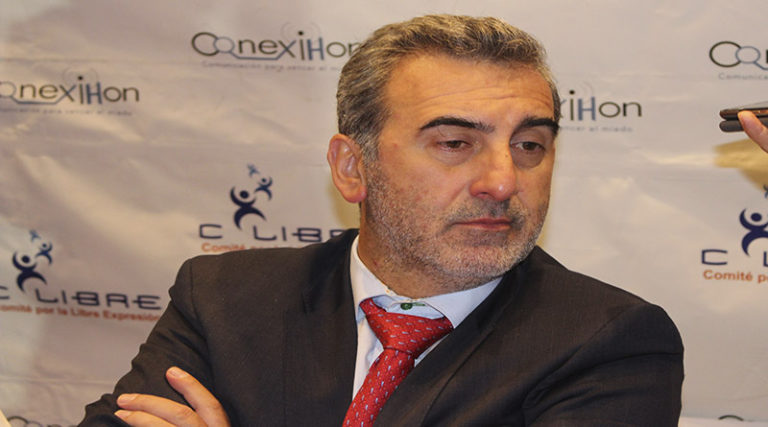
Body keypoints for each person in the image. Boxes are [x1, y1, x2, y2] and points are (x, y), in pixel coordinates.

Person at [80, 15, 684, 426]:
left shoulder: (608, 342)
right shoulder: (226, 297)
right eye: (455, 143)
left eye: (530, 145)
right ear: (352, 168)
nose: (503, 182)